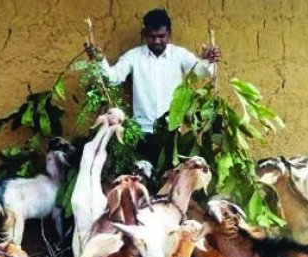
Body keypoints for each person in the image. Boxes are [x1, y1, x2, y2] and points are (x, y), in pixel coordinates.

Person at [85, 8, 221, 160]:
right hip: (141, 132)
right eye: (152, 36)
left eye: (161, 36)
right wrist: (99, 60)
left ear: (170, 34)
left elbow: (202, 73)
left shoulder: (180, 55)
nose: (157, 41)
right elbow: (113, 78)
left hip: (171, 132)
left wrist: (209, 60)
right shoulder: (134, 56)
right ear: (144, 34)